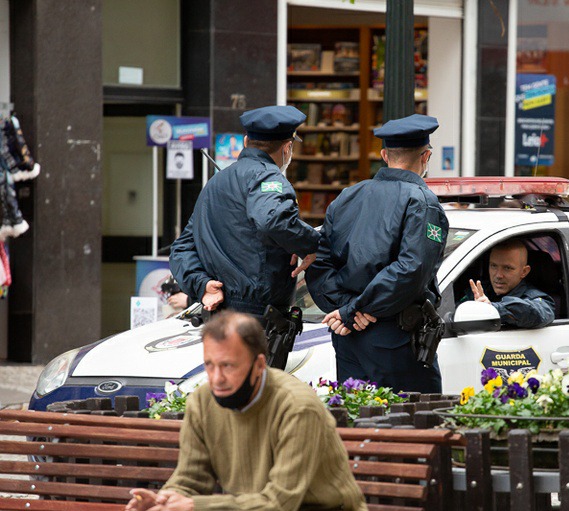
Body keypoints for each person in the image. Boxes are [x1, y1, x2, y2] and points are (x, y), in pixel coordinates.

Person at [125, 312, 367, 511]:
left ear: (259, 365)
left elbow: (279, 503)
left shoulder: (297, 407)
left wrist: (192, 506)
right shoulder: (202, 402)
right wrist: (164, 501)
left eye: (228, 366)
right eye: (210, 365)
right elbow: (190, 478)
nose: (217, 378)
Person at [306, 114, 448, 393]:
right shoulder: (422, 201)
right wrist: (355, 308)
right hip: (396, 337)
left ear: (384, 155)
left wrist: (347, 307)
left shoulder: (346, 197)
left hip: (349, 336)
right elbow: (412, 270)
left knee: (357, 418)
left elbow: (318, 261)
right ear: (426, 156)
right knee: (413, 423)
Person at [170, 105, 320, 319]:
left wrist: (201, 284)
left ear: (245, 142)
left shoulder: (215, 184)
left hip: (218, 314)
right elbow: (273, 220)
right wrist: (311, 245)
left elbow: (182, 248)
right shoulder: (269, 177)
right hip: (257, 316)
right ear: (287, 148)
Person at [468, 239, 555, 329]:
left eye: (507, 268)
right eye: (493, 266)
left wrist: (493, 309)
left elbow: (539, 313)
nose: (498, 275)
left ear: (524, 271)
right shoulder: (479, 290)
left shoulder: (535, 298)